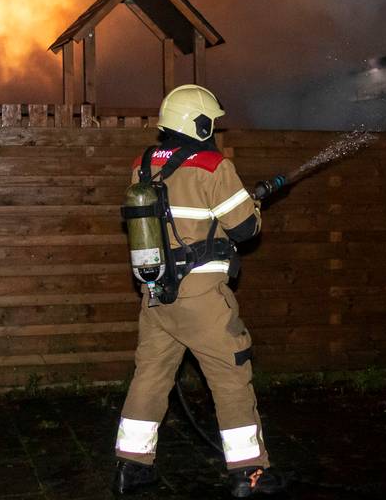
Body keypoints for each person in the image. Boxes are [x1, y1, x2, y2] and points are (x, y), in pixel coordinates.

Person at [113, 85, 285, 497]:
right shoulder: (212, 165)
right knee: (230, 376)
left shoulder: (142, 165)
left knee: (151, 375)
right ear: (202, 123)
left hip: (155, 295)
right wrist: (254, 204)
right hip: (202, 297)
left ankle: (131, 468)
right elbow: (245, 229)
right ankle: (250, 474)